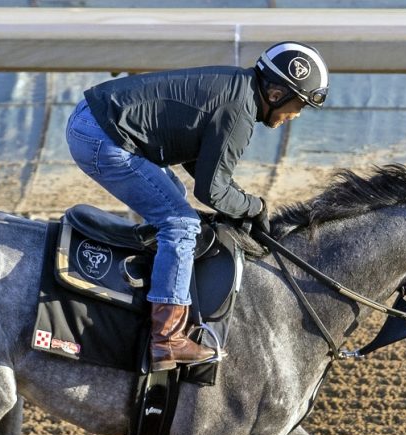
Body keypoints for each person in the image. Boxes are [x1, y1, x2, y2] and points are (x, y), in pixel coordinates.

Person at [66, 41, 330, 371]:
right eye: (299, 104)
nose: (296, 114)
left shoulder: (238, 89)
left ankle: (153, 285)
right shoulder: (239, 112)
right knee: (180, 223)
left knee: (173, 197)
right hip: (102, 137)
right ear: (276, 94)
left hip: (96, 120)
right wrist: (254, 207)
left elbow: (203, 167)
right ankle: (167, 339)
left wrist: (238, 206)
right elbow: (212, 191)